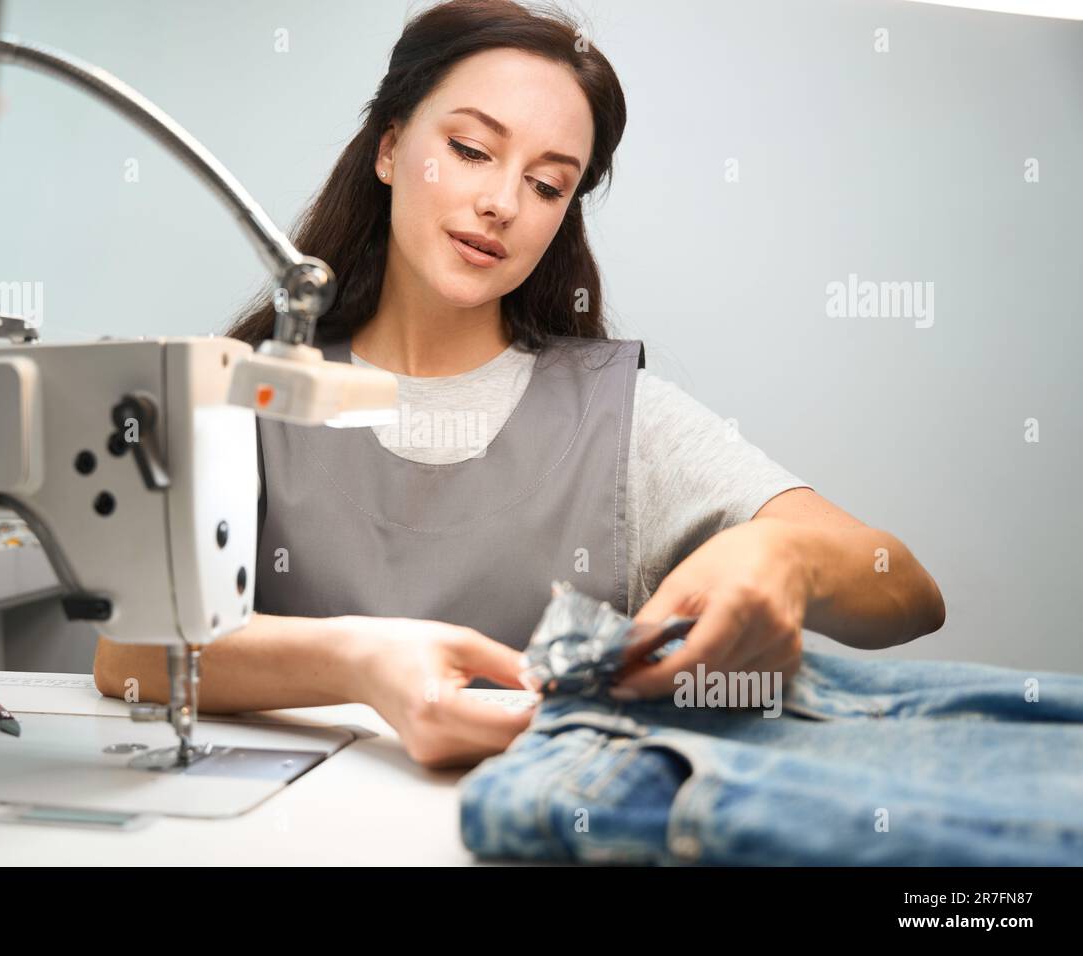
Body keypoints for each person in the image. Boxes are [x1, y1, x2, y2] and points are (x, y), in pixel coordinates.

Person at [94, 0, 945, 768]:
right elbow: (129, 656)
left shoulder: (621, 423)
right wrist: (359, 661)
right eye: (469, 150)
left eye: (547, 184)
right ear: (390, 148)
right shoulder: (252, 393)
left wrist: (784, 556)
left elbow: (905, 590)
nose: (503, 201)